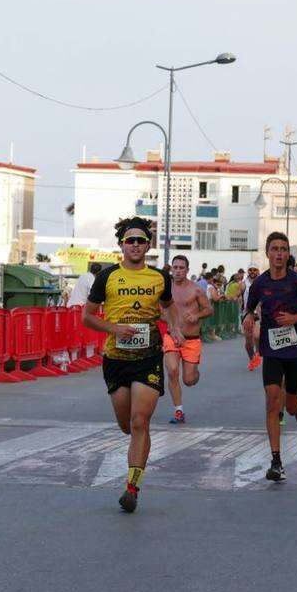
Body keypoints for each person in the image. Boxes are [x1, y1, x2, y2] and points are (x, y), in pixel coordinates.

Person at [83, 216, 182, 513]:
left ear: (148, 245)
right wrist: (114, 329)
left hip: (149, 356)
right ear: (122, 245)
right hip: (115, 358)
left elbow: (168, 307)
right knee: (126, 424)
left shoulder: (159, 277)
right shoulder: (107, 277)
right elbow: (87, 317)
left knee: (140, 421)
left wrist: (174, 328)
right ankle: (133, 466)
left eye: (140, 240)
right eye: (130, 241)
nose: (135, 245)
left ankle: (132, 487)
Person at [243, 232, 297, 482]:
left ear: (288, 254)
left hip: (296, 349)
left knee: (290, 406)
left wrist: (295, 319)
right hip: (271, 350)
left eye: (283, 249)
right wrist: (247, 317)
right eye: (275, 249)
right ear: (267, 253)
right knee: (272, 400)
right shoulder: (259, 283)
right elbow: (248, 308)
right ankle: (276, 461)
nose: (279, 253)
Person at [164, 255, 213, 424]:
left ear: (187, 270)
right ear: (171, 269)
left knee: (189, 380)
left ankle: (194, 372)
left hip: (191, 339)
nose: (177, 271)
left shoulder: (196, 289)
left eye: (181, 268)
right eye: (175, 267)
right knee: (172, 371)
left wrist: (196, 315)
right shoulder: (165, 289)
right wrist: (170, 323)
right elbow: (158, 310)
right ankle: (179, 411)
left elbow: (209, 309)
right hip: (171, 337)